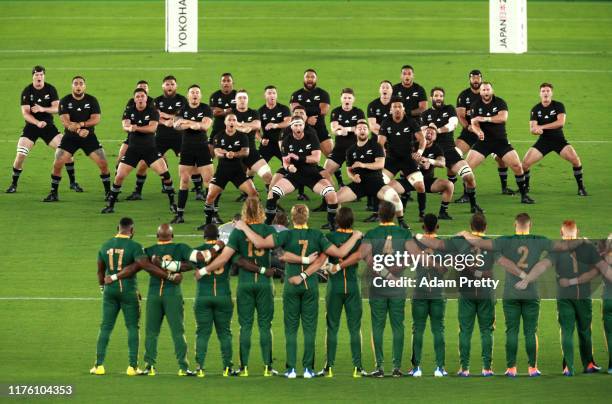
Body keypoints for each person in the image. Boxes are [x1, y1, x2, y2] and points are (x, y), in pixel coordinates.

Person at [234, 204, 362, 379]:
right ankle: (308, 369)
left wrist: (243, 227)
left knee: (291, 329)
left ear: (292, 218)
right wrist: (355, 237)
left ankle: (291, 369)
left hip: (291, 285)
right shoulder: (317, 235)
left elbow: (260, 243)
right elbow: (340, 252)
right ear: (307, 217)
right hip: (310, 285)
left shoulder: (286, 234)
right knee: (309, 329)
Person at [460, 212, 586, 377]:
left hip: (511, 292)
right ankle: (532, 368)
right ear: (530, 225)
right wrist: (581, 240)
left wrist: (464, 234)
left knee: (511, 331)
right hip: (532, 292)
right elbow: (563, 247)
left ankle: (511, 369)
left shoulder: (504, 241)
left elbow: (480, 243)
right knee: (530, 332)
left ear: (515, 225)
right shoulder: (539, 240)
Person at [194, 198, 279, 376]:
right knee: (265, 326)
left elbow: (224, 258)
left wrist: (204, 270)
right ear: (261, 211)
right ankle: (267, 367)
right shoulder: (269, 229)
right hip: (264, 283)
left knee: (245, 326)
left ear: (244, 212)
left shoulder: (238, 233)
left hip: (245, 283)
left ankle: (244, 368)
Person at [513, 220, 607, 375]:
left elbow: (543, 265)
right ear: (577, 231)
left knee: (566, 331)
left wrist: (527, 278)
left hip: (564, 296)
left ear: (561, 232)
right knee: (585, 331)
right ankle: (589, 364)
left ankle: (568, 367)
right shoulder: (587, 247)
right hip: (583, 295)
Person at [90, 217, 179, 376]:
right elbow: (145, 266)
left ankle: (99, 366)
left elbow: (100, 271)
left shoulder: (105, 246)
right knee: (132, 327)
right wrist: (169, 276)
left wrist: (103, 287)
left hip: (110, 290)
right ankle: (132, 367)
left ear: (118, 228)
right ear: (132, 231)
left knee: (105, 327)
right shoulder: (135, 246)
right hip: (129, 291)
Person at [416, 213, 497, 377]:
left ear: (470, 226)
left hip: (466, 292)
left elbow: (438, 244)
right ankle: (487, 368)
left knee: (465, 331)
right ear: (486, 227)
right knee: (486, 331)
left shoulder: (459, 242)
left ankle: (464, 368)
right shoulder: (492, 243)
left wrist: (417, 236)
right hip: (486, 292)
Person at [360, 201, 424, 378]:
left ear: (379, 215)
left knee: (377, 326)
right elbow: (416, 256)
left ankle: (379, 367)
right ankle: (396, 367)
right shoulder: (403, 233)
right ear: (395, 214)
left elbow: (365, 256)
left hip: (378, 286)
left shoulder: (372, 233)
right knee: (398, 326)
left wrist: (382, 272)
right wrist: (399, 267)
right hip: (397, 286)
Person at [101, 88, 176, 214]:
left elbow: (152, 129)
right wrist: (131, 127)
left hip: (150, 150)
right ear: (134, 99)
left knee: (165, 175)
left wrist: (135, 127)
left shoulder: (153, 111)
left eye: (142, 96)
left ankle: (173, 204)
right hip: (133, 150)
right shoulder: (129, 111)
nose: (140, 98)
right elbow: (125, 126)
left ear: (146, 98)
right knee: (119, 176)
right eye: (138, 96)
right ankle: (111, 205)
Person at [7, 65, 80, 194]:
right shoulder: (27, 91)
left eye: (41, 75)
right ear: (33, 76)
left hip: (48, 126)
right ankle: (13, 184)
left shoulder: (50, 89)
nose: (39, 77)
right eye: (36, 75)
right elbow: (25, 113)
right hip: (32, 127)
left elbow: (57, 109)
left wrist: (42, 109)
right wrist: (37, 122)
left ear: (44, 76)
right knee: (21, 153)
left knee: (67, 151)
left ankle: (73, 183)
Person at [140, 224, 197, 376]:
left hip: (153, 295)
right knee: (178, 332)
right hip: (173, 295)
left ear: (156, 235)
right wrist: (175, 268)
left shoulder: (149, 250)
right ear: (172, 236)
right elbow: (193, 263)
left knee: (151, 332)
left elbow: (138, 264)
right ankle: (183, 368)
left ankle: (149, 366)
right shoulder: (181, 248)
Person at [317, 207, 367, 378]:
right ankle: (357, 368)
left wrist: (327, 268)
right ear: (352, 221)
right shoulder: (359, 238)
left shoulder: (328, 237)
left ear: (336, 221)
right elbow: (365, 257)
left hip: (334, 287)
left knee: (331, 327)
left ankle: (328, 368)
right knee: (355, 328)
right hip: (352, 286)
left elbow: (320, 262)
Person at [43, 76, 110, 202]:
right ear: (72, 86)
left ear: (84, 86)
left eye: (81, 83)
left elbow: (96, 119)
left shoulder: (92, 100)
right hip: (70, 138)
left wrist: (81, 125)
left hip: (89, 137)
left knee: (103, 163)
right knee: (57, 163)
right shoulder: (65, 101)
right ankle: (54, 193)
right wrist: (79, 130)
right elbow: (65, 121)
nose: (78, 86)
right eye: (75, 83)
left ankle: (108, 192)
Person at [264, 116, 338, 230]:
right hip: (294, 175)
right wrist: (289, 168)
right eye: (295, 125)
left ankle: (332, 224)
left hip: (311, 174)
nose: (298, 127)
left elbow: (316, 158)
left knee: (332, 195)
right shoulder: (286, 140)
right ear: (291, 126)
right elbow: (285, 162)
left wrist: (298, 158)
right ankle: (268, 225)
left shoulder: (312, 137)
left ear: (303, 125)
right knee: (272, 194)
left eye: (300, 125)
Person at [466, 82, 534, 204]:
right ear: (480, 92)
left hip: (500, 141)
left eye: (488, 89)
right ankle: (466, 195)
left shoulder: (500, 102)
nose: (486, 92)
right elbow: (474, 123)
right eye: (483, 90)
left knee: (517, 166)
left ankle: (524, 195)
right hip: (483, 142)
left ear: (492, 90)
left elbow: (503, 118)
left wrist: (485, 118)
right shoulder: (475, 105)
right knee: (466, 168)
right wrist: (478, 131)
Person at [455, 70, 515, 203]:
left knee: (501, 158)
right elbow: (460, 115)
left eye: (478, 78)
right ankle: (455, 188)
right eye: (473, 78)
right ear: (470, 79)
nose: (475, 80)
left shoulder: (492, 98)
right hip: (470, 132)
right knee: (455, 155)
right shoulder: (464, 96)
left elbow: (501, 116)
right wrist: (469, 127)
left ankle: (504, 187)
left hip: (490, 134)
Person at [335, 119, 407, 228]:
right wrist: (354, 177)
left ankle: (401, 222)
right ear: (355, 132)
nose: (362, 130)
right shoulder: (350, 150)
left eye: (364, 128)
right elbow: (349, 169)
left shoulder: (376, 146)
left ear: (368, 131)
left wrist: (363, 165)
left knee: (395, 198)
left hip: (376, 183)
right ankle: (336, 223)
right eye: (359, 129)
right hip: (359, 184)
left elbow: (380, 164)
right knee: (334, 199)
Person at [421, 86, 482, 214]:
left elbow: (453, 124)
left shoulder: (449, 109)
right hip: (430, 152)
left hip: (449, 151)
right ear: (431, 98)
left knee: (469, 176)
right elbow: (422, 131)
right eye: (436, 96)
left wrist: (437, 129)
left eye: (441, 96)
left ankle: (473, 204)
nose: (439, 98)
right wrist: (428, 129)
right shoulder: (425, 114)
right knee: (415, 177)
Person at [522, 83, 587, 196]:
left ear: (551, 93)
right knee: (525, 164)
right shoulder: (535, 109)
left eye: (548, 91)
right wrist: (535, 131)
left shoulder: (558, 105)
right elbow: (532, 128)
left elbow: (560, 123)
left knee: (576, 161)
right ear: (540, 94)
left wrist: (541, 127)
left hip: (559, 140)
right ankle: (526, 188)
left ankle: (581, 188)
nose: (545, 93)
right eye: (543, 91)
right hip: (544, 141)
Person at [193, 224, 239, 377]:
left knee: (202, 333)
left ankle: (199, 368)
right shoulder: (227, 249)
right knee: (225, 333)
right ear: (218, 236)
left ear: (204, 236)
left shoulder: (198, 251)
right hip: (223, 295)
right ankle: (227, 368)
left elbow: (188, 266)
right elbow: (239, 262)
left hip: (203, 296)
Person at [406, 214, 448, 377]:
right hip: (437, 292)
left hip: (420, 291)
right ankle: (440, 368)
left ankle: (416, 368)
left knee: (418, 329)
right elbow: (445, 270)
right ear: (438, 227)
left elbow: (408, 262)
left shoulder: (415, 243)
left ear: (423, 227)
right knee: (438, 329)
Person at [201, 114, 257, 227]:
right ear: (225, 123)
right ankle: (208, 224)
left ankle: (252, 220)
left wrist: (234, 153)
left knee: (253, 193)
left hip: (238, 171)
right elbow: (217, 152)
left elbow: (246, 152)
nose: (232, 122)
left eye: (234, 120)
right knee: (210, 196)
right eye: (229, 120)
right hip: (222, 171)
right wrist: (227, 154)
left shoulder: (242, 136)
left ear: (236, 123)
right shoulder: (218, 136)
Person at [378, 97, 427, 221]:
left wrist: (419, 152)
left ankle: (422, 214)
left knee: (420, 186)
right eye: (395, 107)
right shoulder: (386, 122)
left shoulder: (410, 122)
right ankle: (378, 212)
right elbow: (380, 143)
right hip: (391, 160)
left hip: (408, 159)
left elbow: (422, 139)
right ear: (391, 110)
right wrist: (382, 154)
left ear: (404, 109)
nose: (397, 109)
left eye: (400, 106)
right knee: (379, 184)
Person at [390, 127, 454, 220]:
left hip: (427, 181)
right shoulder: (412, 145)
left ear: (435, 137)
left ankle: (442, 212)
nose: (429, 135)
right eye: (427, 132)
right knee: (388, 188)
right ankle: (396, 209)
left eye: (432, 133)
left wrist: (429, 161)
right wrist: (416, 163)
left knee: (449, 185)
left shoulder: (437, 148)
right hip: (409, 180)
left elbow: (442, 163)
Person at [171, 84, 213, 224]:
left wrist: (186, 122)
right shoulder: (182, 109)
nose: (195, 95)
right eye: (192, 92)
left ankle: (211, 215)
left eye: (197, 92)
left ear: (200, 95)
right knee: (183, 181)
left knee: (208, 181)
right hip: (187, 148)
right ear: (188, 95)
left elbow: (205, 125)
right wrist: (194, 124)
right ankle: (180, 214)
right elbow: (176, 125)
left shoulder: (206, 108)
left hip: (202, 148)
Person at [233, 89, 272, 201]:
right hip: (235, 154)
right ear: (235, 100)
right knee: (233, 181)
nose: (242, 100)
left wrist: (239, 125)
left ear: (248, 100)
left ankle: (272, 203)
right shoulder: (231, 114)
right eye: (240, 98)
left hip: (251, 152)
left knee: (268, 175)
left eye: (244, 98)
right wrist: (245, 127)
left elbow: (256, 125)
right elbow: (229, 126)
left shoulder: (254, 112)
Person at [324, 88, 365, 190]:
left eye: (349, 98)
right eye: (345, 98)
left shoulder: (359, 112)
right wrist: (340, 131)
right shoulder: (336, 112)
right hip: (339, 149)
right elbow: (334, 129)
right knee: (324, 172)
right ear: (341, 99)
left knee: (361, 175)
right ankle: (332, 193)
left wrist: (344, 128)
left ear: (353, 99)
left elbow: (361, 129)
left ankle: (358, 193)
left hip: (355, 149)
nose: (347, 100)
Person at [117, 80, 153, 197]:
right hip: (132, 136)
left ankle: (138, 191)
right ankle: (118, 184)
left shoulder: (153, 103)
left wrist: (135, 127)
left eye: (145, 88)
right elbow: (126, 121)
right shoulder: (131, 103)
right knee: (121, 156)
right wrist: (129, 127)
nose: (143, 89)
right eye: (140, 88)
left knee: (145, 164)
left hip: (148, 138)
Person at [290, 69, 332, 157]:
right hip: (301, 129)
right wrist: (308, 120)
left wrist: (303, 110)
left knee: (331, 155)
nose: (310, 79)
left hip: (320, 128)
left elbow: (324, 110)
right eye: (307, 77)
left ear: (316, 79)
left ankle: (337, 171)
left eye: (312, 77)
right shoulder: (296, 95)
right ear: (303, 79)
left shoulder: (323, 94)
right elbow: (296, 113)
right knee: (300, 156)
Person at [258, 85, 291, 164]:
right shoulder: (260, 111)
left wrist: (275, 125)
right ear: (265, 96)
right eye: (269, 93)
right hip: (267, 144)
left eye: (274, 93)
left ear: (276, 95)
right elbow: (256, 130)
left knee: (289, 164)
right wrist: (261, 140)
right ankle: (247, 177)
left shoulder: (283, 108)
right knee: (256, 165)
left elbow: (288, 122)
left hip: (282, 142)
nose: (272, 95)